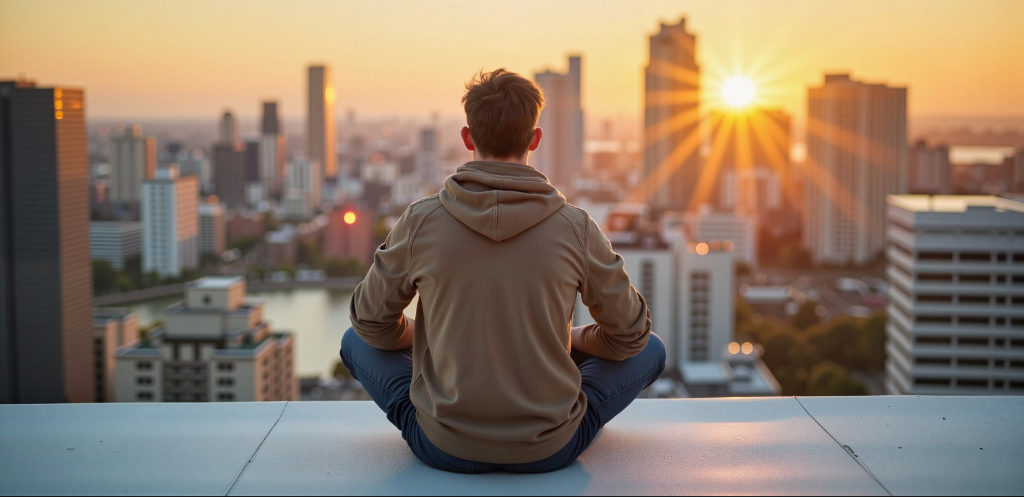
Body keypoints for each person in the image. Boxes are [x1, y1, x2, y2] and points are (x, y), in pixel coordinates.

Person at [341, 68, 665, 474]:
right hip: (549, 449)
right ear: (534, 139)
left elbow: (370, 324)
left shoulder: (422, 221)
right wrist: (569, 341)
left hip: (442, 445)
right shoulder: (575, 227)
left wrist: (421, 336)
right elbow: (630, 337)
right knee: (651, 347)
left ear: (467, 138)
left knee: (354, 340)